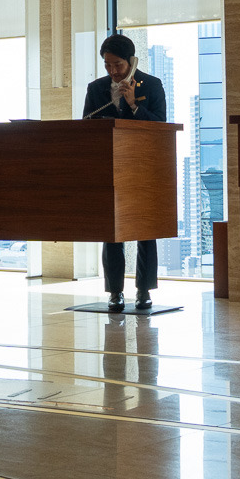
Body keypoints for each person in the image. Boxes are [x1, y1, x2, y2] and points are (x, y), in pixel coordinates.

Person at [82, 34, 167, 311]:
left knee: (145, 230)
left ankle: (144, 290)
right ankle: (115, 291)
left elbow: (161, 126)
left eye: (117, 65)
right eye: (107, 65)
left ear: (131, 62)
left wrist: (134, 106)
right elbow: (86, 125)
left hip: (143, 168)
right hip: (110, 168)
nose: (113, 71)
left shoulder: (151, 85)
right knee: (112, 232)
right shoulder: (96, 88)